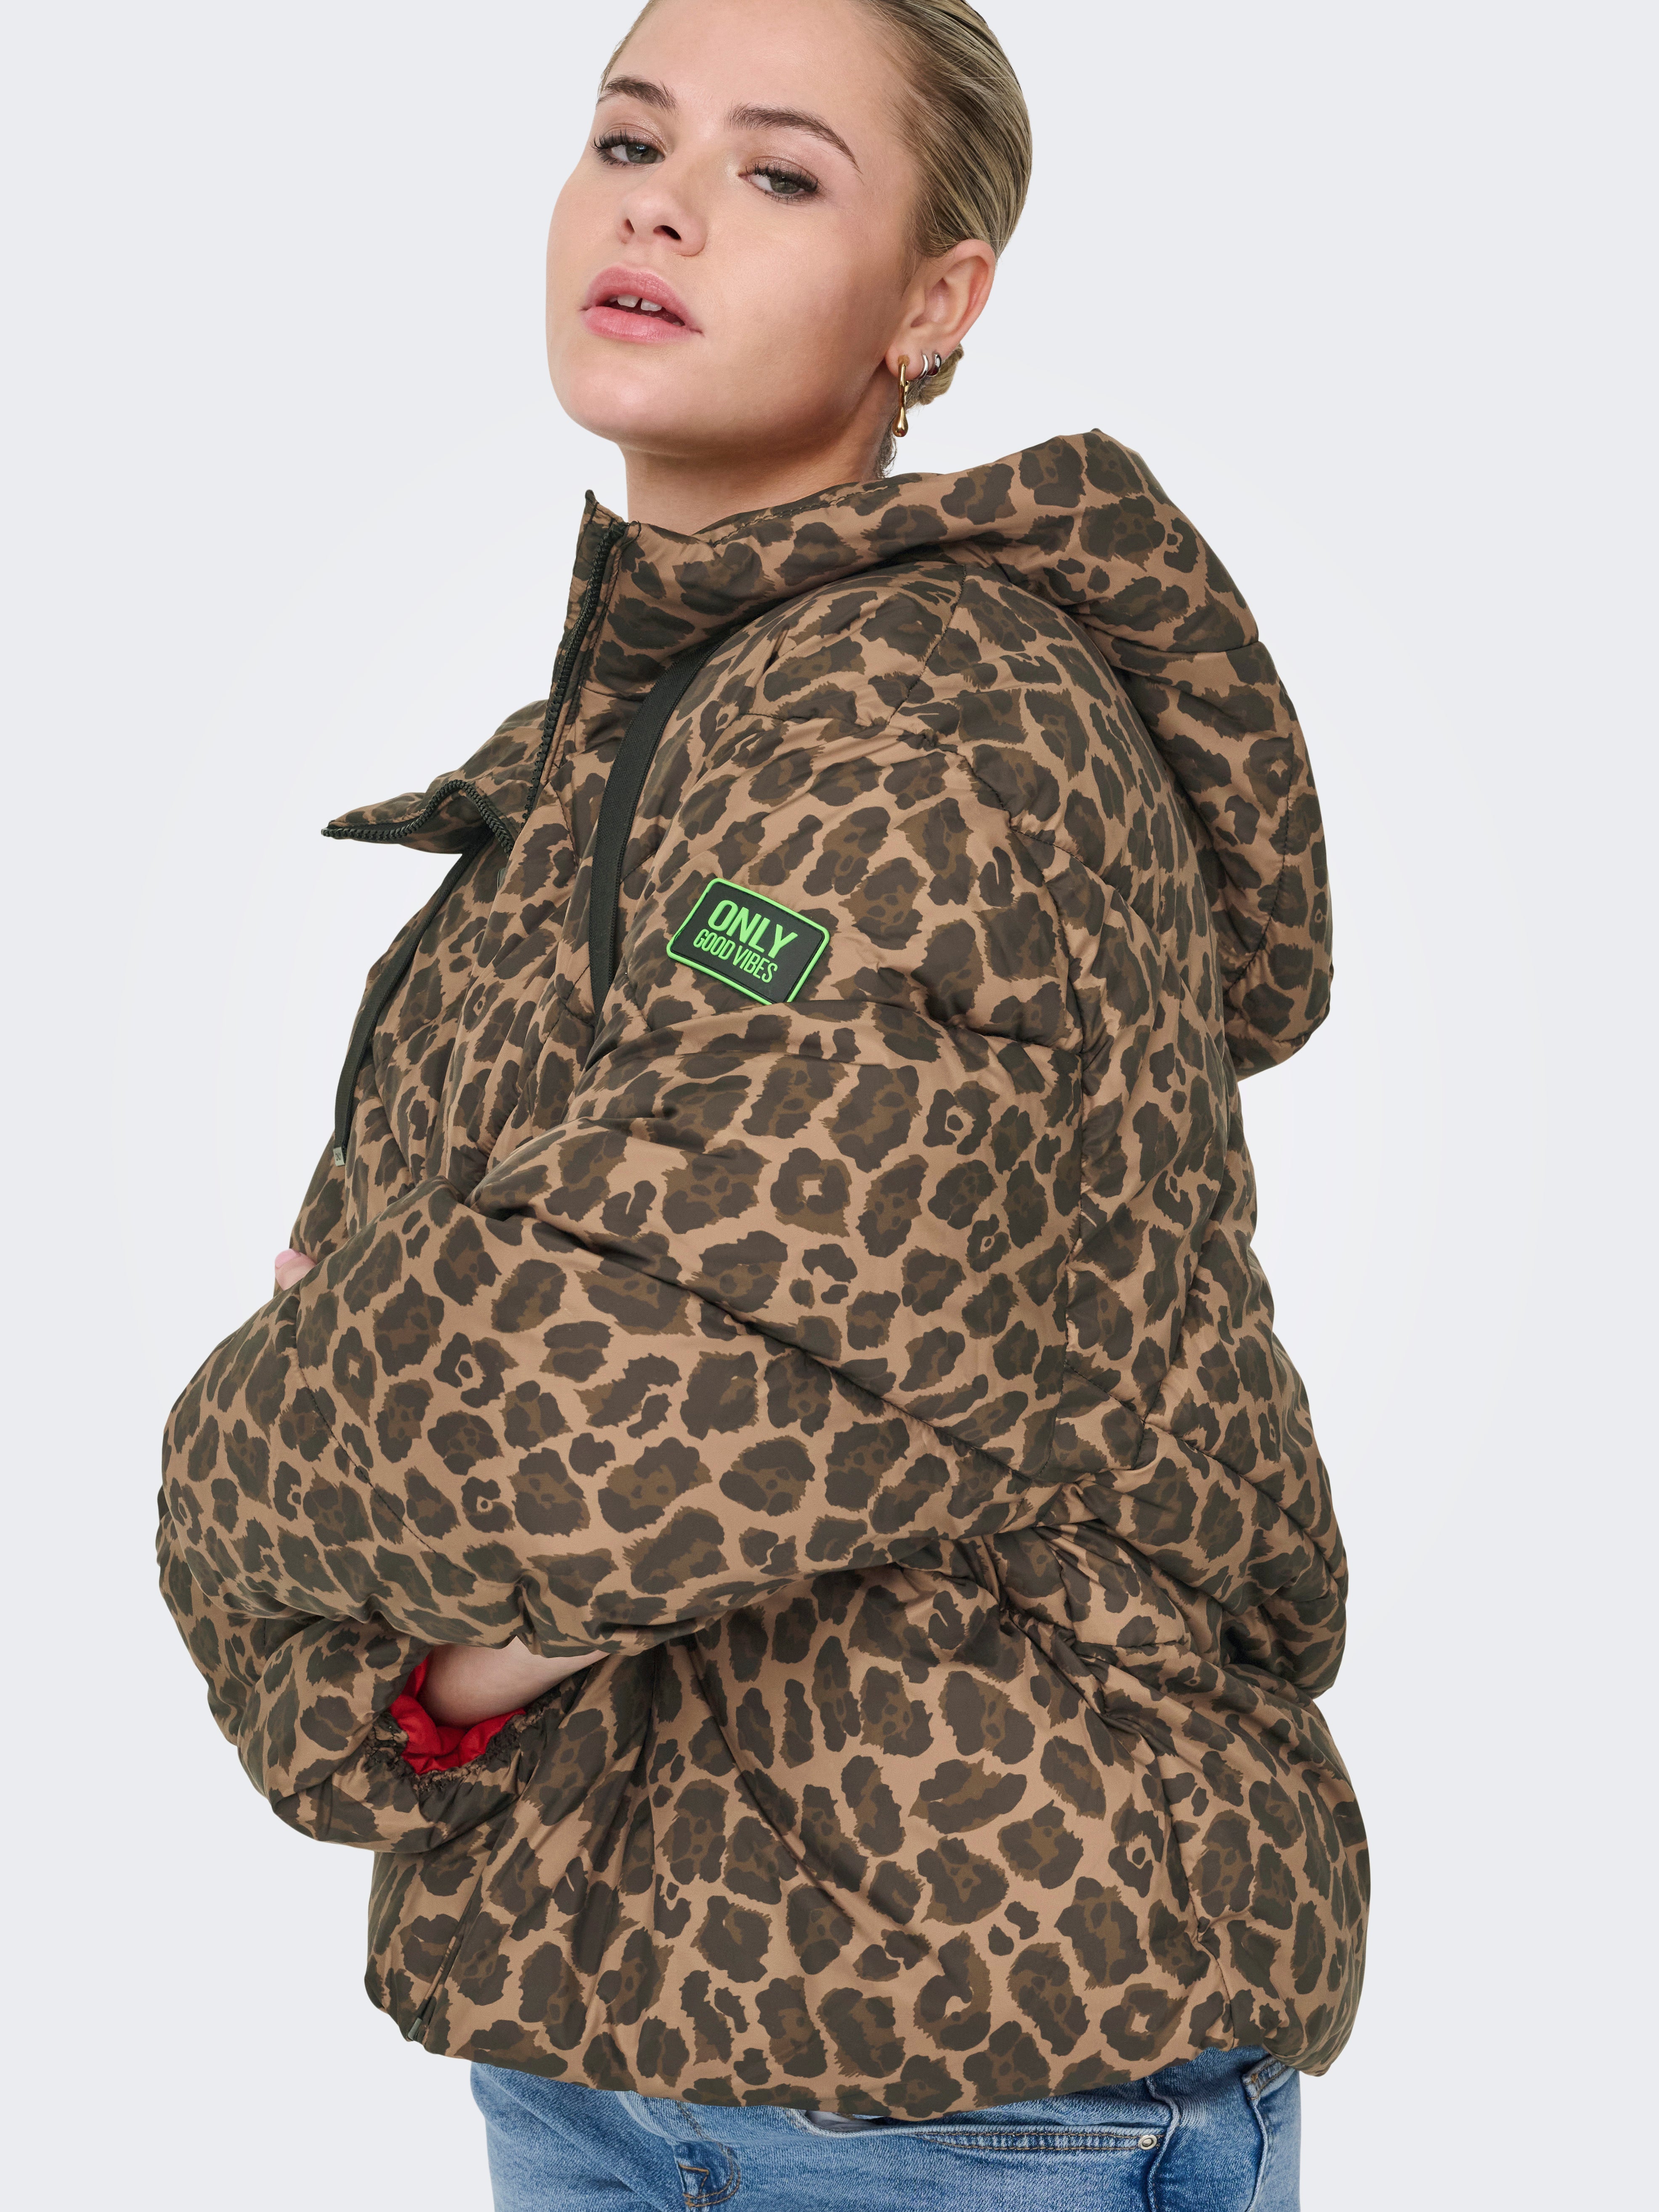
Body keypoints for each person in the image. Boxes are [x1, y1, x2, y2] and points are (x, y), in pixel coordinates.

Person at [157, 1, 1367, 2204]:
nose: (664, 206)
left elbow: (681, 1362)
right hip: (613, 2040)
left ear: (935, 303)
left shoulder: (928, 722)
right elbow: (489, 1342)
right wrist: (404, 1569)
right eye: (629, 138)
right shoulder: (646, 746)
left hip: (959, 2057)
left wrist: (226, 1468)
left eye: (781, 172)